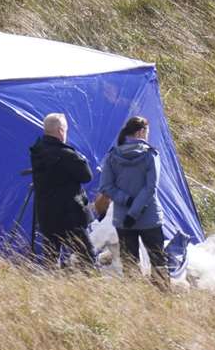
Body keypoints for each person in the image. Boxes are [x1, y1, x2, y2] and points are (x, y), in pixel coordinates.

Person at [99, 115, 170, 289]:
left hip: (123, 220)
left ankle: (135, 296)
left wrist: (127, 202)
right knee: (158, 260)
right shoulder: (150, 155)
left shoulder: (112, 156)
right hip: (149, 217)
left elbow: (106, 187)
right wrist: (135, 211)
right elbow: (150, 188)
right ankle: (163, 297)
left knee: (129, 261)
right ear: (141, 132)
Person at [28, 112, 94, 270]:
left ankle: (50, 290)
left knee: (51, 258)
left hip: (46, 216)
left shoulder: (37, 152)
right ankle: (91, 288)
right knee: (87, 256)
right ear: (60, 131)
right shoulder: (67, 155)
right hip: (69, 217)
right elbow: (87, 176)